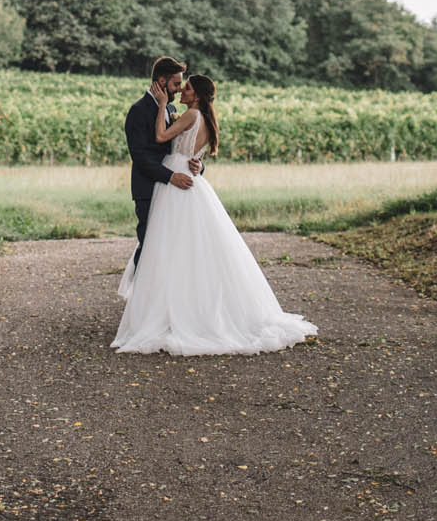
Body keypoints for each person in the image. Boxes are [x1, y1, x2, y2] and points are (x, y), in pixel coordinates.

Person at [113, 73, 317, 355]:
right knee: (189, 248)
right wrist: (195, 164)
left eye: (187, 88)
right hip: (189, 179)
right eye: (180, 86)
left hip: (177, 182)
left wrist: (160, 106)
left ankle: (173, 311)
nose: (182, 91)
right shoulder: (205, 118)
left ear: (196, 95)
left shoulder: (190, 115)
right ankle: (181, 307)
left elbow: (161, 137)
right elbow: (192, 155)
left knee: (169, 247)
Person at [123, 56, 195, 272]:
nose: (179, 90)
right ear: (162, 82)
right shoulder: (138, 110)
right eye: (176, 84)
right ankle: (138, 291)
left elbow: (179, 148)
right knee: (148, 244)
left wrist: (197, 165)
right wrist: (171, 176)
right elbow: (140, 156)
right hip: (147, 188)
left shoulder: (170, 110)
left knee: (169, 244)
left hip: (170, 191)